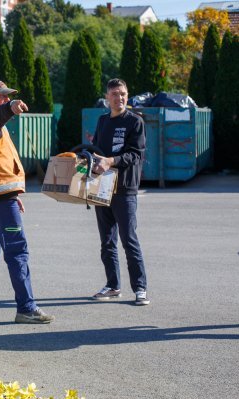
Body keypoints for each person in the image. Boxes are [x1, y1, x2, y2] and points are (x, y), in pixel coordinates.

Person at [0, 79, 55, 324]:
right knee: (17, 252)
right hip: (0, 199)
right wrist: (11, 107)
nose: (4, 99)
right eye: (1, 95)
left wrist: (13, 195)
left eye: (7, 96)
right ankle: (26, 308)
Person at [90, 78, 149, 306]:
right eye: (115, 94)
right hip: (102, 188)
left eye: (123, 93)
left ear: (127, 95)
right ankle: (113, 285)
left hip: (125, 189)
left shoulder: (134, 122)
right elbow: (96, 149)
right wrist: (90, 161)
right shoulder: (103, 120)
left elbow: (136, 154)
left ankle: (140, 288)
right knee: (107, 242)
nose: (120, 98)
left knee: (129, 240)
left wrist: (110, 161)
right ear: (107, 98)